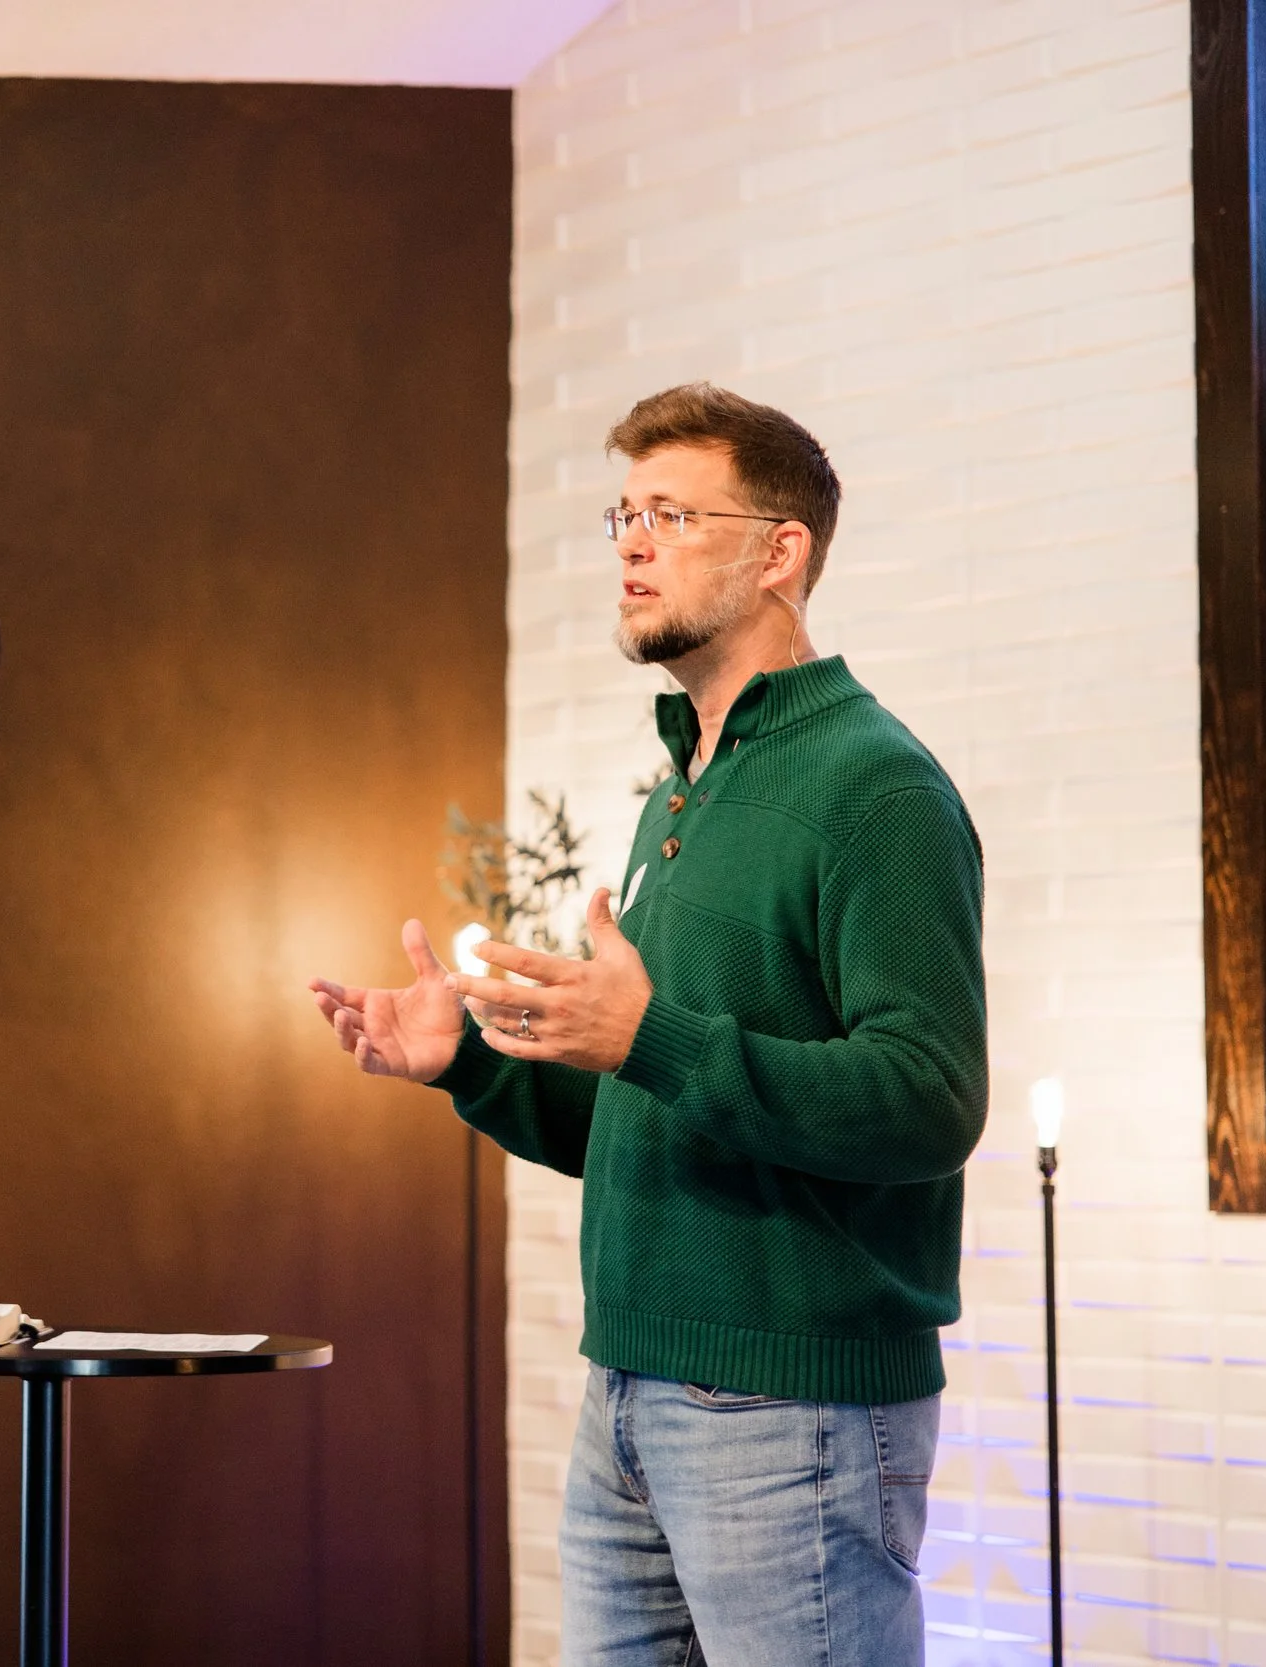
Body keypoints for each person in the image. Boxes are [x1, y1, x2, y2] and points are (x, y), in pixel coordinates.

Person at [308, 383, 986, 1666]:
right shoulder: (684, 784)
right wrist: (472, 1066)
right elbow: (656, 1106)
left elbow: (928, 1100)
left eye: (672, 514)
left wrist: (650, 1036)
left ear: (780, 552)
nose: (631, 544)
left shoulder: (875, 787)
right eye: (624, 515)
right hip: (626, 1390)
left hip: (791, 1410)